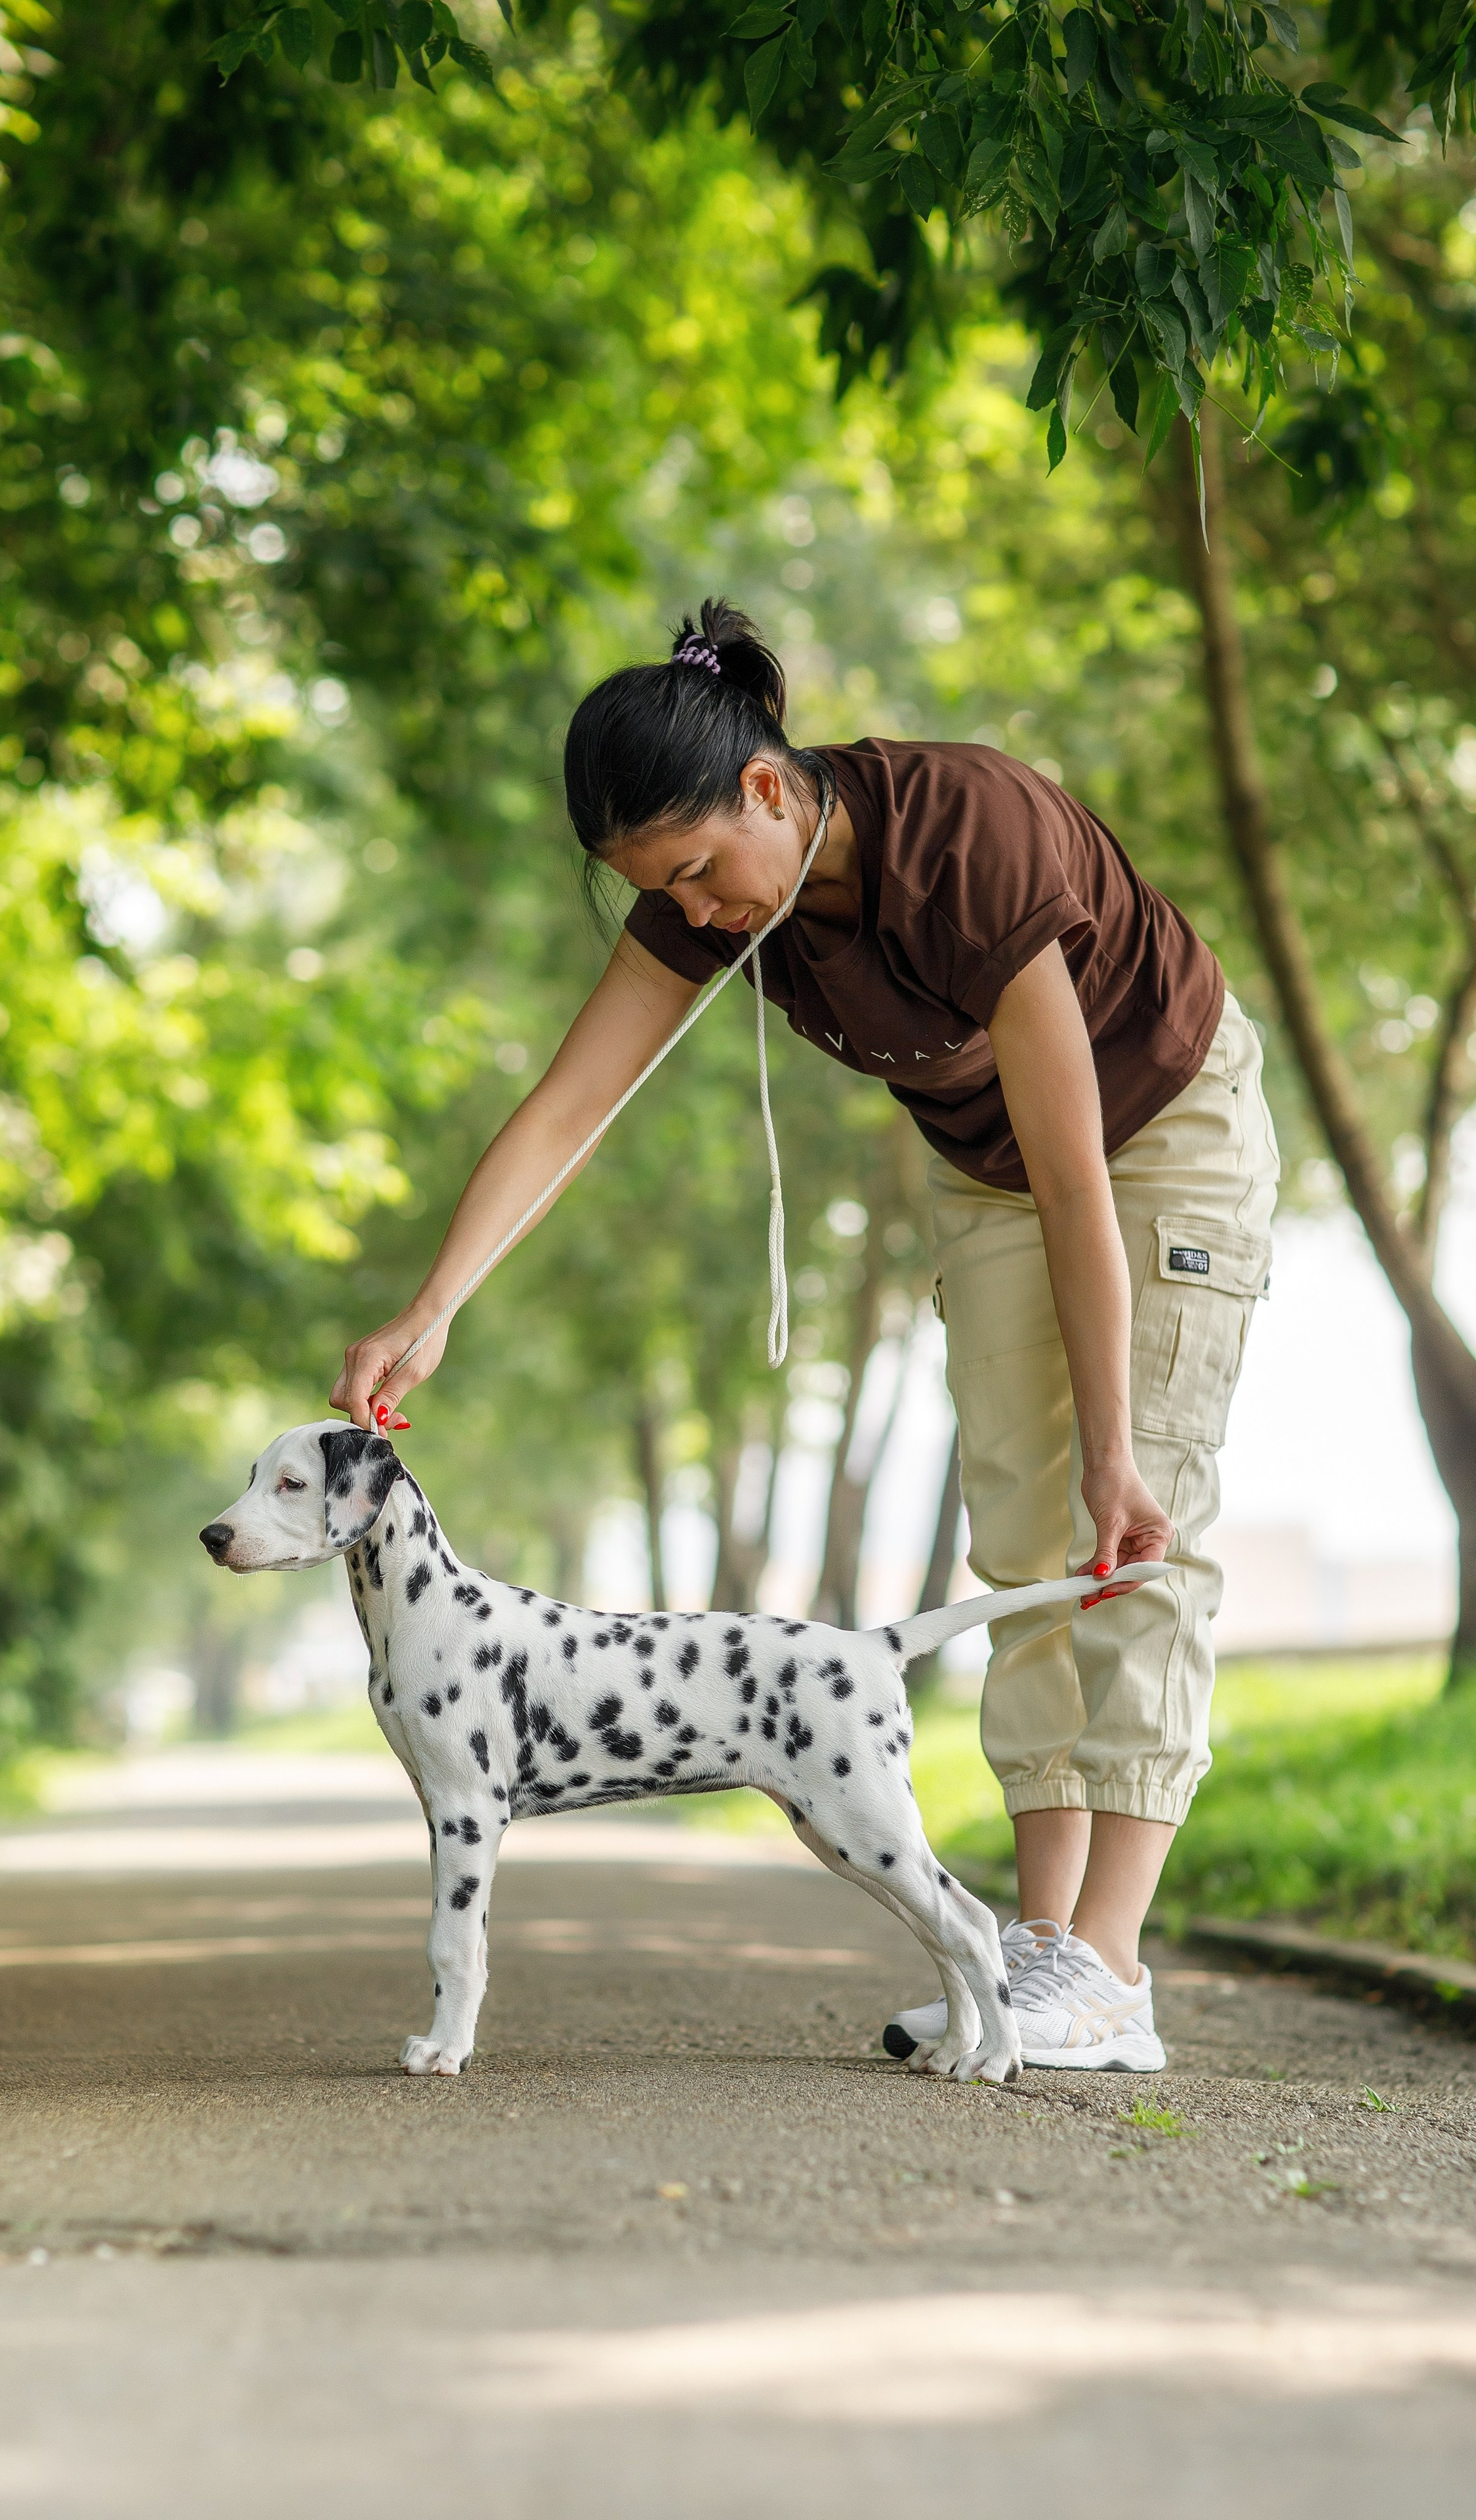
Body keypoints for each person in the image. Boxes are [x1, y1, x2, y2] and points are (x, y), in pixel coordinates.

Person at [332, 600, 1279, 2073]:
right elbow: (567, 1110)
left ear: (769, 787)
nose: (697, 914)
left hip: (1157, 1132)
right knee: (1024, 1541)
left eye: (703, 872)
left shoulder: (969, 837)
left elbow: (1077, 1168)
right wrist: (430, 1307)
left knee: (1133, 1518)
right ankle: (1040, 1954)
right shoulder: (713, 895)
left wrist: (1110, 1445)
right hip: (985, 1169)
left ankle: (1110, 1963)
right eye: (663, 891)